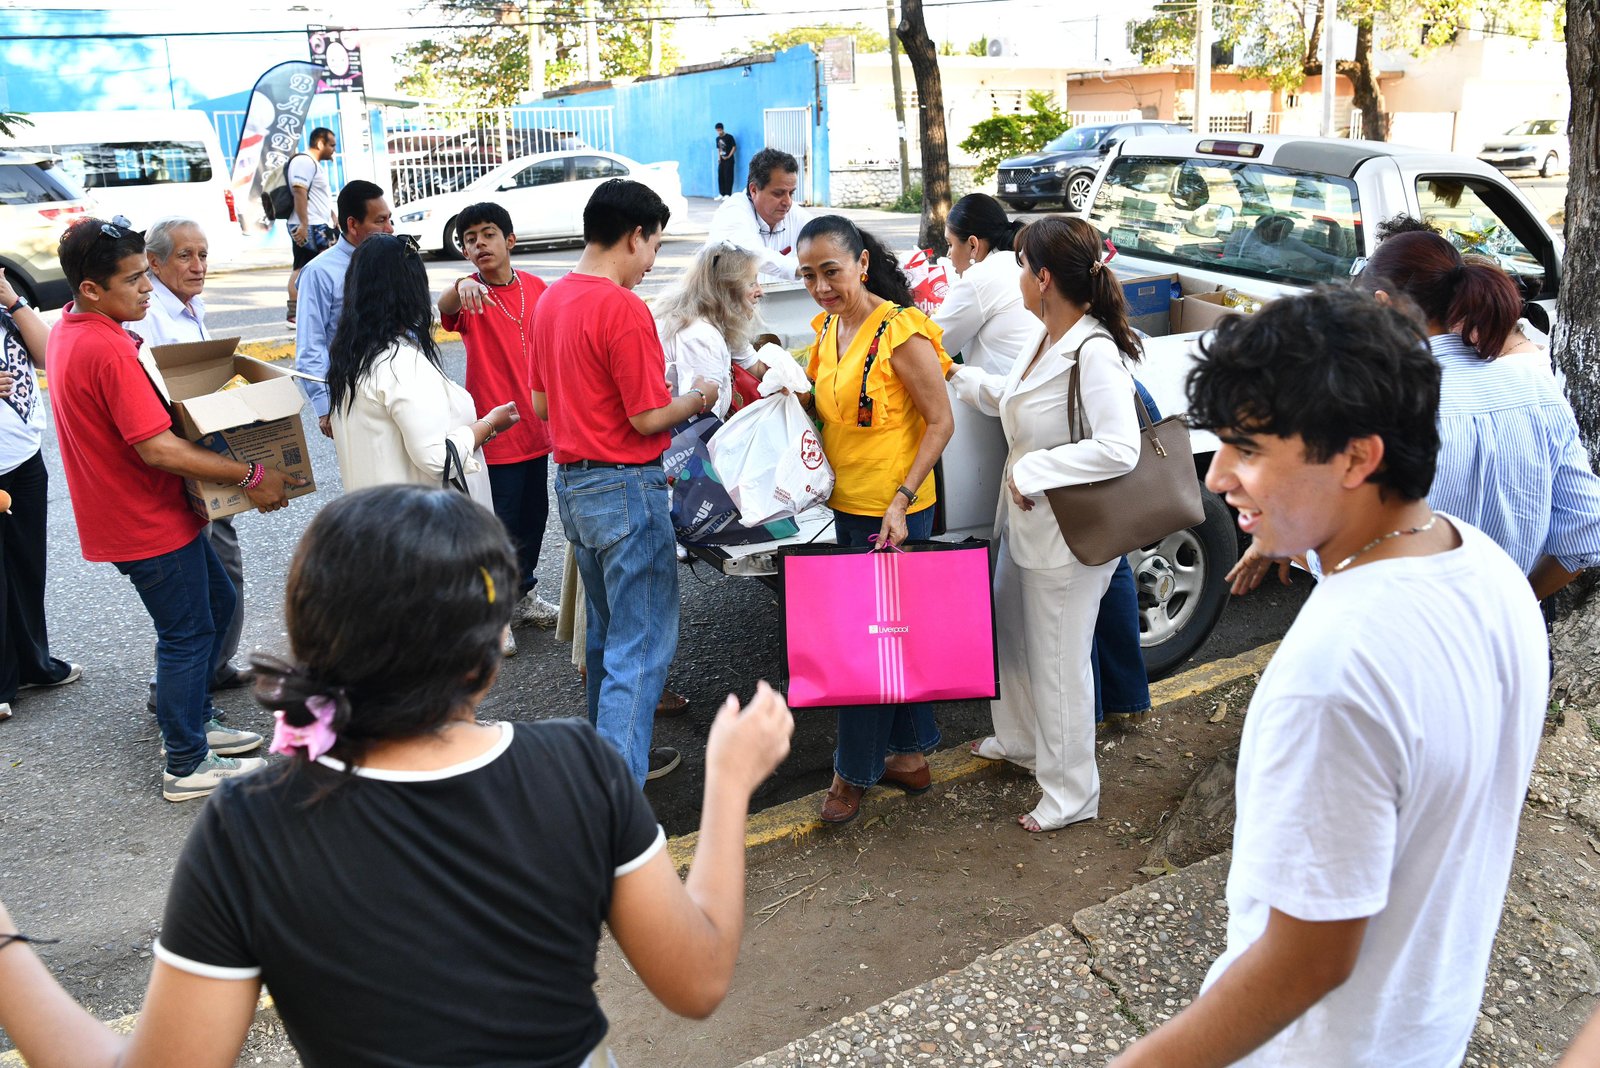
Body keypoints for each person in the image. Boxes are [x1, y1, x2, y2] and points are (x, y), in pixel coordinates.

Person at [0, 484, 796, 1068]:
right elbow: (695, 982)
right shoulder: (579, 766)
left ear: (315, 640)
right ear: (484, 661)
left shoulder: (252, 825)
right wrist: (726, 784)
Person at [1110, 286, 1549, 1068]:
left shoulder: (1334, 673)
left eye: (1249, 450)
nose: (1218, 480)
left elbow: (1306, 960)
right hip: (1425, 1030)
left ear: (1357, 456)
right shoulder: (1481, 564)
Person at [48, 217, 300, 801]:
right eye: (135, 279)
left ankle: (194, 722)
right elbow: (157, 448)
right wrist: (253, 473)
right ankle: (186, 762)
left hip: (147, 513)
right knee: (186, 633)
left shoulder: (73, 327)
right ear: (90, 288)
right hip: (145, 522)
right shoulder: (106, 346)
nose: (146, 288)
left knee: (218, 601)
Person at [947, 216, 1142, 832]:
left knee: (1060, 667)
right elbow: (1016, 395)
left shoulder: (1095, 350)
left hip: (1068, 540)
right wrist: (958, 375)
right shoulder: (1045, 336)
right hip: (1026, 531)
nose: (1016, 275)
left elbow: (1121, 447)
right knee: (1012, 638)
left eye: (1022, 263)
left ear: (1044, 277)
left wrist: (1034, 470)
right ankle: (1021, 740)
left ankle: (1070, 793)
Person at [530, 178, 721, 785]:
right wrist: (697, 397)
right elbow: (645, 417)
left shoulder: (551, 300)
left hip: (575, 488)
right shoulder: (621, 307)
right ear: (635, 235)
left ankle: (600, 781)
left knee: (606, 641)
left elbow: (540, 405)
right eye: (656, 245)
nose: (653, 261)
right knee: (638, 653)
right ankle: (617, 811)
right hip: (626, 488)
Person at [795, 214, 954, 824]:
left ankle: (851, 774)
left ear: (861, 263)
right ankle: (909, 759)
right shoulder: (829, 328)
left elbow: (941, 422)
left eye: (830, 271)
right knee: (889, 641)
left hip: (894, 513)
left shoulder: (900, 331)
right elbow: (825, 405)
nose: (820, 286)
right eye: (808, 275)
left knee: (865, 650)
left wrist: (900, 500)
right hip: (847, 504)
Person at [127, 216, 252, 693]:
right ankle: (180, 690)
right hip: (185, 461)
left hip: (207, 451)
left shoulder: (187, 305)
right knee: (204, 583)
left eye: (202, 255)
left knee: (220, 572)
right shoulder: (150, 314)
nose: (198, 265)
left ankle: (213, 669)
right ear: (153, 262)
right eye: (185, 255)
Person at [438, 201, 560, 631]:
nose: (479, 244)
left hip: (538, 428)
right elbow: (445, 306)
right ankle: (494, 614)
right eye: (469, 239)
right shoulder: (470, 293)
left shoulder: (537, 287)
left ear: (509, 240)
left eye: (488, 234)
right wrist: (458, 284)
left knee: (534, 518)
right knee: (498, 526)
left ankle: (522, 595)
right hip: (496, 432)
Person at [0, 268, 80, 723]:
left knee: (28, 566)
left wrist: (12, 300)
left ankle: (34, 665)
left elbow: (52, 355)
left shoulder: (7, 308)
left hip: (23, 456)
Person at [294, 180, 394, 439]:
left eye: (390, 219)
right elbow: (310, 344)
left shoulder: (391, 262)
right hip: (354, 397)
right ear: (352, 224)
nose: (390, 229)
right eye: (380, 221)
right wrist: (325, 405)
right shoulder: (319, 272)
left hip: (399, 391)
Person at [653, 241, 767, 421]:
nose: (760, 291)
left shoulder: (719, 320)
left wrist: (788, 379)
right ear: (727, 289)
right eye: (751, 283)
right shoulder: (702, 336)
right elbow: (702, 420)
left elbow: (754, 366)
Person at [708, 148, 815, 281]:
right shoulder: (732, 211)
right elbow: (750, 252)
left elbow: (822, 236)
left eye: (791, 193)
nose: (787, 202)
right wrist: (805, 269)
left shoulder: (794, 212)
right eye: (778, 193)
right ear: (754, 190)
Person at [285, 126, 338, 324]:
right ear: (320, 143)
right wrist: (304, 224)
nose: (333, 149)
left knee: (307, 268)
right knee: (311, 268)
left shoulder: (312, 163)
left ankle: (299, 314)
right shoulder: (303, 162)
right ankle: (295, 314)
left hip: (317, 223)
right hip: (311, 226)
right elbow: (299, 191)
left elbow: (315, 196)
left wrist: (332, 213)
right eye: (331, 145)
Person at [715, 122, 737, 200]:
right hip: (722, 160)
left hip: (729, 160)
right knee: (720, 176)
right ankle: (721, 193)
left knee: (728, 176)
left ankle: (728, 194)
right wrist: (719, 158)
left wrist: (728, 156)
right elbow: (719, 149)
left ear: (722, 129)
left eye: (720, 130)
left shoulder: (729, 137)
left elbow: (734, 147)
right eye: (717, 130)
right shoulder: (717, 139)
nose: (719, 132)